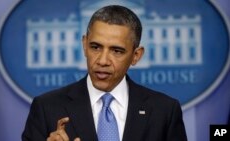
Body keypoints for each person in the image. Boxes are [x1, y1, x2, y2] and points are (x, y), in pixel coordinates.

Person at [22, 5, 187, 141]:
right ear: (84, 45)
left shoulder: (164, 111)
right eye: (95, 47)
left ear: (136, 56)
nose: (102, 60)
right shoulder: (46, 108)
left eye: (116, 51)